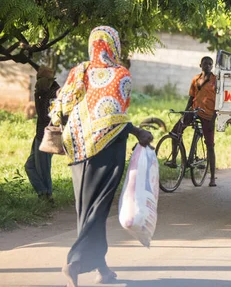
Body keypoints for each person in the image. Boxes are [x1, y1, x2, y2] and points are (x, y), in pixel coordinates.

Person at [49, 26, 153, 287]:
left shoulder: (79, 70)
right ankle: (75, 262)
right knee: (98, 207)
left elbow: (61, 104)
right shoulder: (121, 75)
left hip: (77, 146)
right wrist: (137, 131)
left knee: (85, 208)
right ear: (113, 46)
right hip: (106, 147)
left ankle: (101, 268)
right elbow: (116, 115)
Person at [167, 56, 218, 187]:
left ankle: (212, 178)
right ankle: (173, 160)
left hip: (208, 115)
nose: (207, 66)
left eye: (210, 64)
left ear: (212, 66)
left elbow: (219, 101)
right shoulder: (195, 79)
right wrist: (185, 112)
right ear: (200, 65)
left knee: (210, 145)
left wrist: (214, 117)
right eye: (205, 63)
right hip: (194, 111)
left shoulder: (215, 80)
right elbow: (191, 97)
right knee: (175, 132)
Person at [25, 66, 60, 202]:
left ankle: (47, 196)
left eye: (41, 79)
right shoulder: (43, 91)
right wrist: (38, 94)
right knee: (30, 166)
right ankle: (43, 192)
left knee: (44, 168)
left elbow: (49, 116)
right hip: (39, 134)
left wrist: (40, 95)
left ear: (47, 80)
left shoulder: (54, 93)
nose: (38, 82)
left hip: (47, 135)